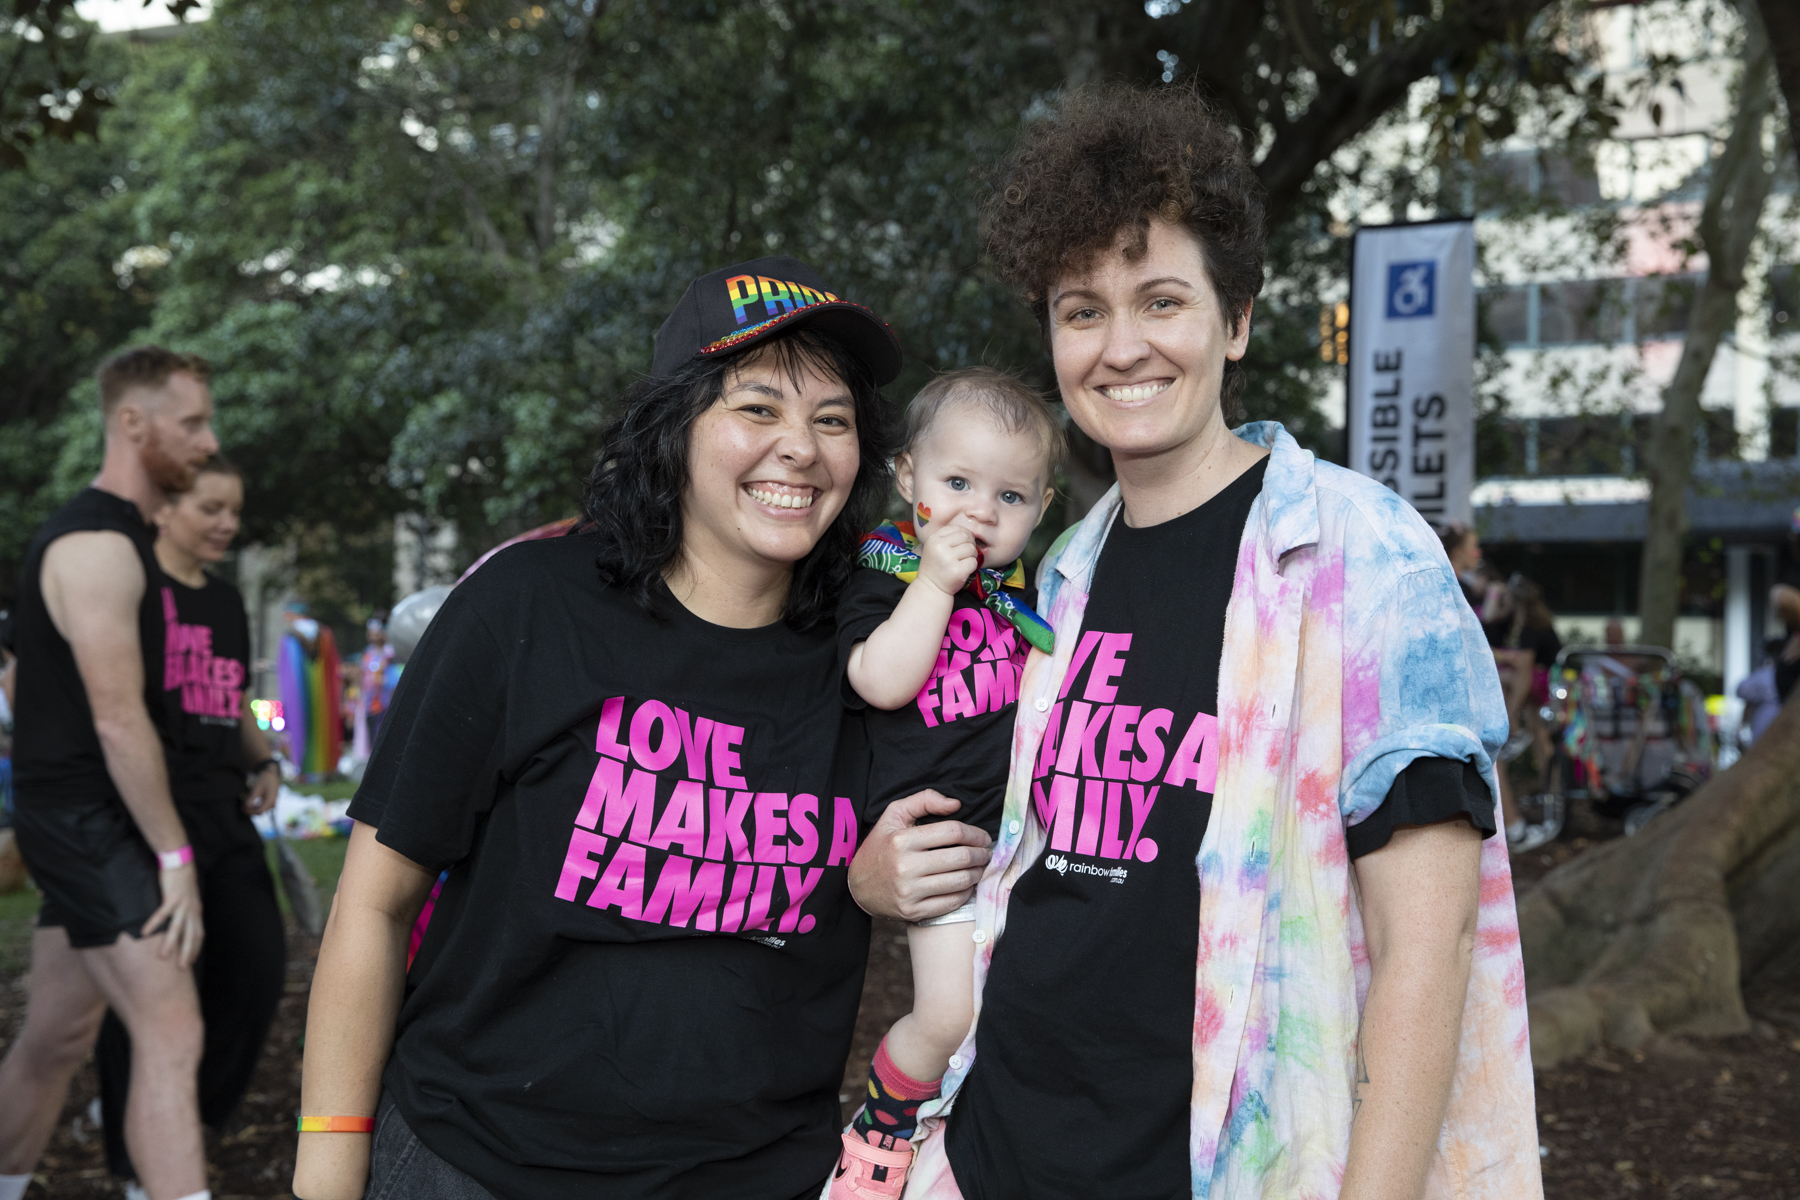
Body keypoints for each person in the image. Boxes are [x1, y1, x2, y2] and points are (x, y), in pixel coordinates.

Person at [850, 86, 1540, 1200]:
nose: (1121, 347)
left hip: (1228, 1166)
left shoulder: (1363, 556)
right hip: (989, 1152)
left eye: (1161, 301)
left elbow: (1432, 946)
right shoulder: (1057, 574)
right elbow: (1006, 837)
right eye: (1082, 311)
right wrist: (880, 874)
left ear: (1237, 321)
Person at [292, 256, 988, 1200]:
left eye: (833, 420)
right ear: (674, 425)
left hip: (752, 1176)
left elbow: (900, 853)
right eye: (758, 408)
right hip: (476, 1165)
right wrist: (328, 1161)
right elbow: (374, 903)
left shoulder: (880, 653)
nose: (800, 447)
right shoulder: (527, 606)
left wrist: (870, 881)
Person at [831, 368, 1061, 1194]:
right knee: (947, 1013)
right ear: (908, 478)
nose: (980, 512)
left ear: (1041, 508)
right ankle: (880, 1131)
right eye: (957, 483)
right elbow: (879, 680)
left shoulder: (1032, 594)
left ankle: (962, 1143)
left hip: (1024, 843)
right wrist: (933, 584)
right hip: (940, 848)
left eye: (1010, 496)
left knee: (1019, 1011)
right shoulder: (883, 571)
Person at [0, 345, 220, 1200]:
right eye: (191, 423)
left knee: (55, 1038)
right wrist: (175, 856)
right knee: (172, 1030)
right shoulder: (95, 544)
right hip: (89, 824)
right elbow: (116, 719)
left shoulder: (124, 536)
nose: (208, 442)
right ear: (133, 423)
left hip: (85, 821)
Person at [93, 454, 287, 1190]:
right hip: (145, 821)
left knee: (257, 971)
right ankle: (134, 1161)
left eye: (234, 510)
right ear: (166, 508)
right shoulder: (132, 590)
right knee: (159, 995)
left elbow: (233, 699)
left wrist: (267, 762)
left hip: (224, 816)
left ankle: (180, 1120)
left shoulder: (228, 602)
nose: (227, 524)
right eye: (211, 508)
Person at [350, 617, 397, 761]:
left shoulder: (390, 652)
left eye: (377, 633)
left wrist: (385, 680)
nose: (374, 637)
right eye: (371, 634)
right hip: (369, 701)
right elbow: (361, 675)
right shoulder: (367, 652)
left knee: (384, 730)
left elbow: (395, 673)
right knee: (371, 733)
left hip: (386, 699)